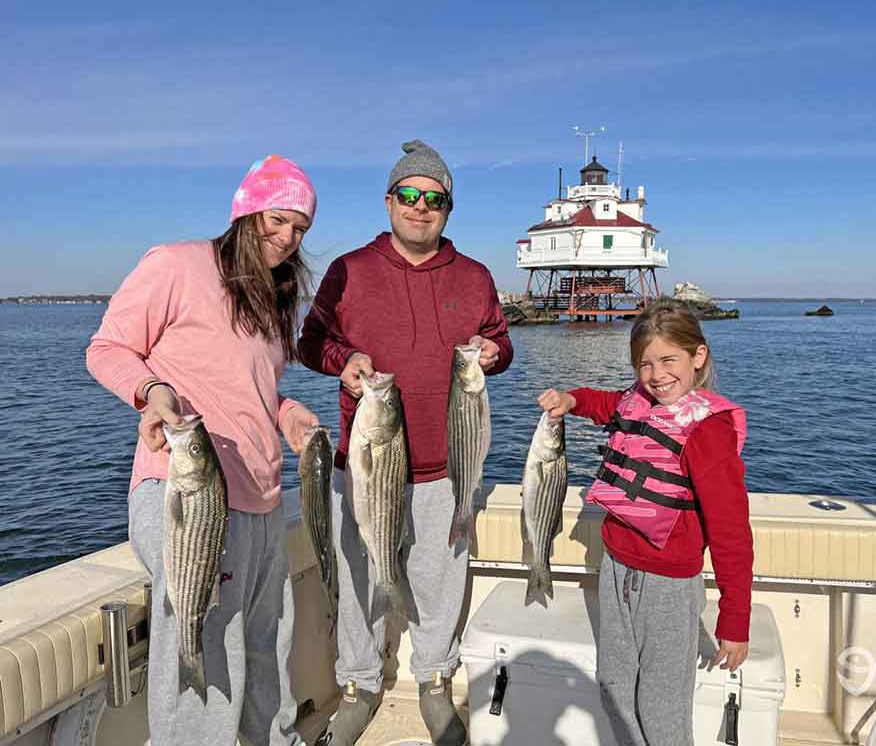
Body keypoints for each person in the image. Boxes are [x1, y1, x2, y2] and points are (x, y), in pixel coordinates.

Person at [86, 155, 321, 746]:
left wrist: (286, 413)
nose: (287, 237)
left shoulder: (273, 297)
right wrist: (152, 390)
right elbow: (108, 348)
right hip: (185, 492)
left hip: (264, 499)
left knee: (269, 646)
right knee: (207, 650)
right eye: (277, 220)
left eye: (299, 228)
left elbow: (249, 390)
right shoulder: (176, 264)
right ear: (245, 213)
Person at [298, 139, 513, 746]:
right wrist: (342, 360)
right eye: (410, 195)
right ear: (389, 201)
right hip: (364, 466)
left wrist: (495, 353)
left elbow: (500, 340)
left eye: (435, 198)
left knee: (440, 583)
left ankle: (435, 682)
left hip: (446, 470)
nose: (421, 207)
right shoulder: (348, 269)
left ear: (449, 208)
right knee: (362, 577)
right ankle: (361, 684)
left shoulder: (473, 276)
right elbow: (309, 342)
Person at [537, 297, 753, 746]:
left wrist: (735, 619)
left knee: (661, 703)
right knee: (614, 685)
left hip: (669, 586)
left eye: (669, 360)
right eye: (644, 365)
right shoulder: (637, 400)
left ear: (698, 357)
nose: (656, 376)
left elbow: (732, 532)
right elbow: (606, 404)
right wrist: (570, 399)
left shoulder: (707, 431)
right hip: (617, 568)